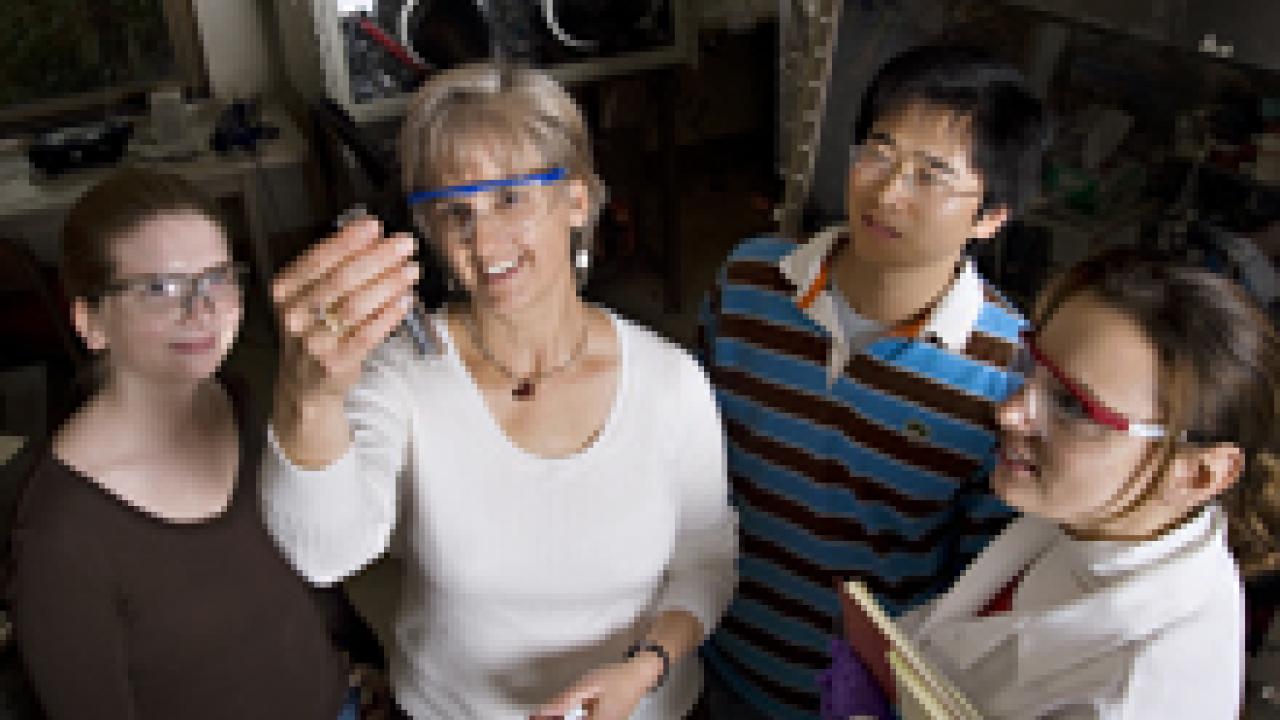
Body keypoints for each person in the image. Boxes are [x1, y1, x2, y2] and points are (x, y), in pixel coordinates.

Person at [261, 63, 737, 719]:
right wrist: (306, 398)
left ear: (576, 200)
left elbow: (706, 560)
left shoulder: (670, 381)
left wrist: (645, 670)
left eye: (510, 198)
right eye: (454, 213)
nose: (483, 244)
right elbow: (322, 552)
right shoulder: (399, 378)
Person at [697, 46, 1051, 719]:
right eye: (879, 152)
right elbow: (693, 464)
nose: (888, 193)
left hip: (852, 701)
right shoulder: (748, 281)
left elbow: (978, 581)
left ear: (990, 217)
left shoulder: (1009, 370)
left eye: (931, 176)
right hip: (717, 660)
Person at [830, 248, 1278, 718]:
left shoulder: (1136, 695)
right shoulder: (1097, 519)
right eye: (1031, 364)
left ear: (1197, 474)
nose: (1009, 413)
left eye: (1075, 406)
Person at [6, 168, 353, 719]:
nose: (203, 310)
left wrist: (348, 669)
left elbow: (295, 576)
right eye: (159, 288)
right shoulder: (62, 533)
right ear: (90, 322)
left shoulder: (239, 403)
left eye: (217, 278)